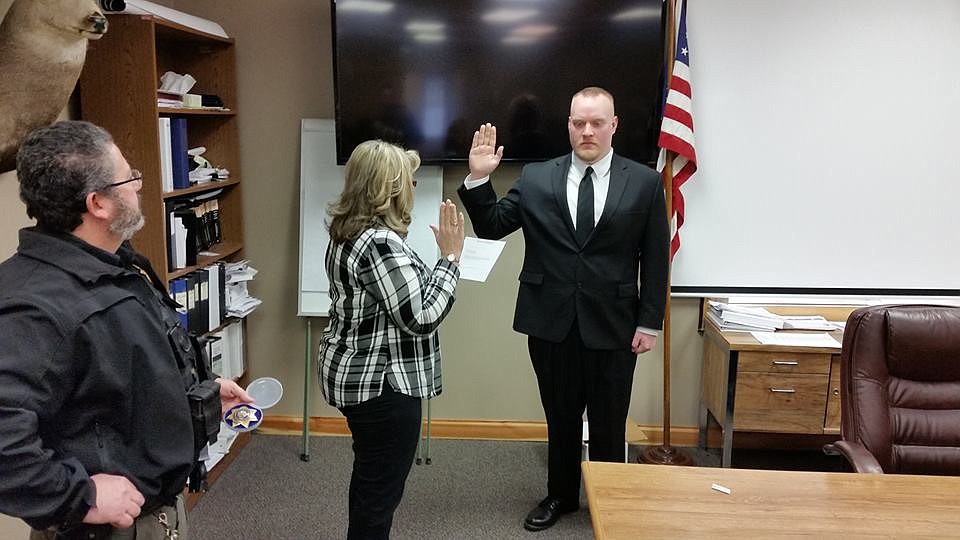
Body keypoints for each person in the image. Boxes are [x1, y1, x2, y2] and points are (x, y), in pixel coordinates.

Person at [0, 120, 253, 539]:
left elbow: (118, 370)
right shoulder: (35, 304)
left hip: (158, 513)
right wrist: (77, 495)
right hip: (110, 528)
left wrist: (197, 388)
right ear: (98, 203)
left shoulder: (111, 263)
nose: (138, 185)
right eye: (130, 177)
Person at [458, 87, 669, 531]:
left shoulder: (645, 182)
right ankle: (561, 496)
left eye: (597, 122)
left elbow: (655, 258)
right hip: (550, 320)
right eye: (578, 122)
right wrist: (479, 179)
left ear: (614, 125)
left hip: (615, 322)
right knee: (561, 415)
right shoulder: (537, 178)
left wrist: (650, 321)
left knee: (611, 419)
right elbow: (493, 226)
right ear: (568, 125)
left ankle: (609, 500)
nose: (587, 130)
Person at [318, 140, 464, 539]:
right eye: (409, 180)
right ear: (389, 188)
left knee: (371, 479)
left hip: (361, 376)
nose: (415, 186)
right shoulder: (378, 243)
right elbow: (420, 318)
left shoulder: (348, 230)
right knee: (379, 490)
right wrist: (450, 260)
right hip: (383, 386)